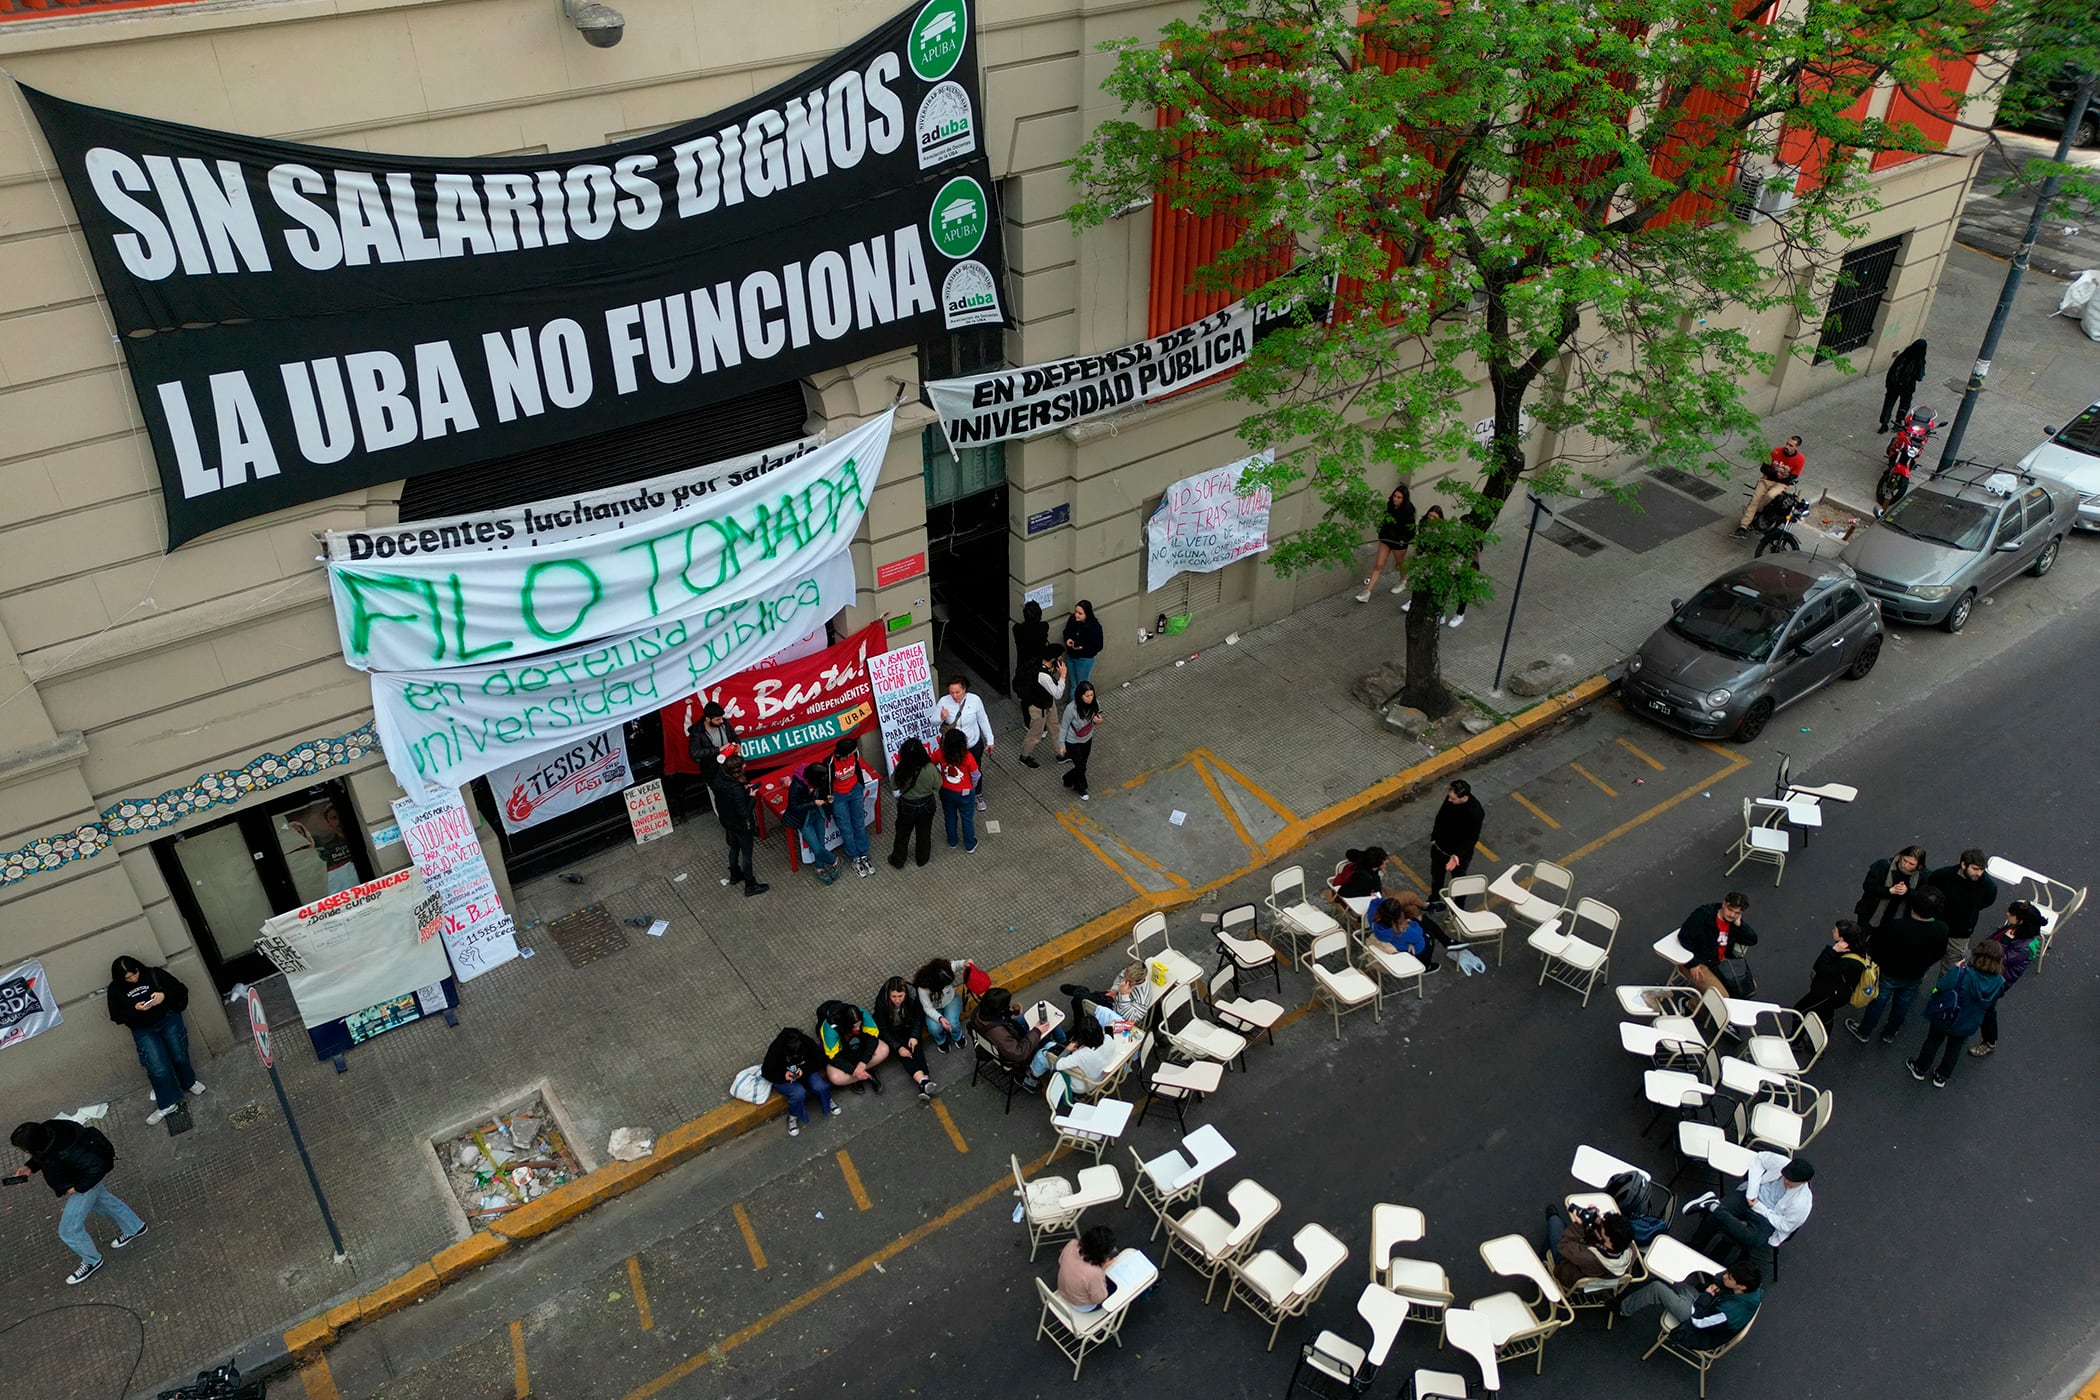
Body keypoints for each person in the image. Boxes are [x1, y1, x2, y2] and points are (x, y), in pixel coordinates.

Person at [10, 1118, 146, 1286]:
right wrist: (30, 1167)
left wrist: (78, 1188)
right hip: (82, 1180)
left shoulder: (68, 1149)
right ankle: (135, 1227)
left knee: (69, 1230)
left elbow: (97, 1167)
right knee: (104, 1203)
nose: (23, 1151)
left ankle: (92, 1261)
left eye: (24, 1148)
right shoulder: (49, 1129)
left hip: (84, 1184)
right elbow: (44, 1155)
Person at [105, 956, 207, 1126]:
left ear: (138, 969)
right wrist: (135, 1009)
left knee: (179, 1054)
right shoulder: (115, 990)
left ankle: (188, 1082)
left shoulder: (152, 973)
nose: (133, 979)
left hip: (168, 1019)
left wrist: (163, 996)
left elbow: (181, 988)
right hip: (143, 1030)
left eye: (134, 974)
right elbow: (116, 1016)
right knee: (157, 1067)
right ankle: (168, 1102)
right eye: (128, 978)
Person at [1847, 885, 1948, 1044]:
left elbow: (1877, 947)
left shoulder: (1896, 926)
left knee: (1878, 1002)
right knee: (1902, 1005)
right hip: (1915, 974)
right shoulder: (1942, 929)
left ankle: (1864, 1031)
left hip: (1889, 972)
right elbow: (1939, 953)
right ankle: (1890, 1033)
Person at [1683, 1154, 1813, 1265]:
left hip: (1768, 1216)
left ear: (1803, 1182)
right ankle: (1697, 1244)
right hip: (1750, 1197)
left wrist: (1760, 1208)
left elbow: (1785, 1225)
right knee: (1714, 1219)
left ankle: (1714, 1206)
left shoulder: (1801, 1204)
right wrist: (1752, 1191)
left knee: (1753, 1240)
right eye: (1785, 1176)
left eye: (1791, 1181)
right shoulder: (1781, 1162)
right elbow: (1759, 1158)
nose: (1786, 1181)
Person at [1908, 939, 2006, 1087]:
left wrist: (1955, 969)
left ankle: (1920, 1068)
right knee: (1954, 1048)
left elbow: (1941, 986)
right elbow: (1991, 1006)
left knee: (1933, 1041)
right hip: (1969, 1021)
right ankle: (1941, 1076)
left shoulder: (1962, 973)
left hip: (1947, 1016)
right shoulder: (1999, 982)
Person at [1969, 901, 2042, 1059]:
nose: (2007, 914)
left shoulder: (2023, 947)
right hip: (1987, 974)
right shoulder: (2015, 931)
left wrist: (2004, 943)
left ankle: (1989, 1042)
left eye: (2011, 913)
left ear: (2020, 920)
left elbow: (1999, 958)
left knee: (1988, 1011)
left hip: (1995, 983)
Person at [1618, 1264, 1763, 1341]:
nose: (1724, 1277)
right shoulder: (1752, 1288)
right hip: (1708, 1305)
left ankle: (1622, 1309)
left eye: (1729, 1278)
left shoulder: (1729, 1312)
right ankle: (1633, 1292)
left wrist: (1706, 1297)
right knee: (1673, 1278)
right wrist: (1712, 1292)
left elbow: (1699, 1323)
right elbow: (1721, 1276)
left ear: (1741, 1287)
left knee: (1657, 1289)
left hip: (1696, 1322)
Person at [971, 987, 1066, 1087]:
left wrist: (1009, 1012)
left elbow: (1000, 1019)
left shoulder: (979, 1012)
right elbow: (1019, 1053)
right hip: (1016, 1050)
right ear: (1000, 1009)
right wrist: (1037, 1031)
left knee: (1044, 1019)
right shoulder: (999, 1034)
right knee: (1047, 1027)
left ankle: (1062, 1042)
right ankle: (1061, 1045)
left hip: (1009, 1031)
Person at [708, 749, 768, 897]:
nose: (745, 766)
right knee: (747, 854)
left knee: (734, 847)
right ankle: (750, 885)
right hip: (741, 825)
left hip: (727, 820)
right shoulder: (735, 788)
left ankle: (735, 874)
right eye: (743, 765)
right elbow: (743, 812)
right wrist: (752, 797)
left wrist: (743, 789)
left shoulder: (719, 779)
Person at [1925, 849, 1999, 968]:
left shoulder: (1987, 886)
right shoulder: (1942, 876)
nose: (1979, 873)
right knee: (1923, 959)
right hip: (1935, 925)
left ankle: (1942, 987)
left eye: (1982, 869)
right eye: (1975, 869)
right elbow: (1928, 895)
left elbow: (1986, 902)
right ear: (1963, 864)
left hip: (1960, 934)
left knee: (1950, 968)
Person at [1675, 892, 1757, 998]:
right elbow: (1684, 937)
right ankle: (1691, 1005)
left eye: (1737, 913)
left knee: (1748, 987)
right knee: (1721, 996)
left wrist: (1740, 925)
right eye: (1730, 910)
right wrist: (1692, 963)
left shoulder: (1734, 922)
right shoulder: (1703, 915)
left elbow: (1752, 940)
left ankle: (1712, 1005)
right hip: (1699, 961)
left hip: (1720, 961)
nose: (1732, 915)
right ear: (1724, 904)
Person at [761, 1026, 838, 1138]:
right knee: (798, 1093)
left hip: (806, 1070)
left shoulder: (806, 1042)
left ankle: (827, 1100)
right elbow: (767, 1072)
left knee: (820, 1086)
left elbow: (819, 1059)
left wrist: (805, 1069)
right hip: (785, 1077)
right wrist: (784, 1075)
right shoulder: (775, 1050)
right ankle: (793, 1115)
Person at [873, 976, 940, 1103]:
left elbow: (918, 1017)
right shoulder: (881, 1003)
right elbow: (883, 1028)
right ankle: (925, 1082)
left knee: (916, 1047)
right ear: (889, 995)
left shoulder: (913, 996)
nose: (897, 1000)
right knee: (903, 1054)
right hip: (892, 1031)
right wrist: (898, 1047)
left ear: (906, 993)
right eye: (894, 997)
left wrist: (914, 1036)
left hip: (908, 1025)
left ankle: (923, 1083)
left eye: (900, 996)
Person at [1542, 1205, 1637, 1289]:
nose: (1600, 1229)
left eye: (1602, 1231)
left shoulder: (1587, 1257)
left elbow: (1564, 1245)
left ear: (1608, 1243)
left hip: (1571, 1273)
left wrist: (1578, 1226)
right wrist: (1599, 1222)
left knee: (1555, 1222)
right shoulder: (1631, 1251)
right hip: (1599, 1282)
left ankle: (1541, 1260)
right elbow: (1609, 1238)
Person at [1791, 920, 1869, 1022]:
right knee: (1825, 1015)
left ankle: (1796, 1037)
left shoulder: (1849, 961)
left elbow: (1820, 968)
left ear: (1842, 938)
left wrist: (1832, 951)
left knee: (1800, 1012)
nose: (1832, 931)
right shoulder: (1857, 950)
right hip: (1835, 994)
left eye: (1835, 931)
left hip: (1829, 995)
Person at [935, 676, 994, 809]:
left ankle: (977, 794)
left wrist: (990, 739)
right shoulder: (944, 701)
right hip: (952, 746)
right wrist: (941, 717)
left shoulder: (975, 700)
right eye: (951, 692)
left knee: (975, 769)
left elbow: (983, 719)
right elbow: (933, 721)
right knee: (952, 769)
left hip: (972, 744)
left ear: (964, 689)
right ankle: (953, 793)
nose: (954, 696)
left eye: (957, 692)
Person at [784, 762, 844, 886]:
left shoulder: (819, 779)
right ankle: (835, 861)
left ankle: (819, 868)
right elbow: (793, 807)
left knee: (821, 843)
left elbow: (822, 793)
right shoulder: (797, 784)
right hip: (805, 819)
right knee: (816, 847)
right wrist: (813, 803)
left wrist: (827, 799)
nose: (824, 780)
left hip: (819, 813)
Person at [1735, 434, 1805, 538]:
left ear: (1796, 447)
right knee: (1755, 498)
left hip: (1781, 484)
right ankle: (1743, 526)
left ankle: (1756, 511)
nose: (1787, 447)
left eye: (1791, 445)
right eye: (1787, 443)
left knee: (1770, 495)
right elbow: (1764, 468)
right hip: (1767, 480)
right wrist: (1775, 474)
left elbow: (1793, 477)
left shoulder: (1800, 459)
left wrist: (1783, 478)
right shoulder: (1776, 451)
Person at [827, 738, 878, 879]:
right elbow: (828, 782)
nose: (855, 752)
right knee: (846, 828)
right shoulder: (830, 762)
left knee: (859, 823)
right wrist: (830, 798)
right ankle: (854, 856)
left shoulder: (855, 754)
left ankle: (863, 853)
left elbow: (857, 769)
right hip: (839, 797)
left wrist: (860, 785)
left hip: (855, 791)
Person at [1357, 483, 1417, 603]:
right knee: (1379, 565)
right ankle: (1367, 592)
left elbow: (1411, 530)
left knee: (1400, 562)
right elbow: (1384, 521)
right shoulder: (1390, 506)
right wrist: (1381, 533)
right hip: (1386, 539)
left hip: (1399, 542)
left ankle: (1403, 580)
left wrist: (1402, 540)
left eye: (1399, 497)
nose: (1396, 499)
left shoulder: (1408, 511)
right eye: (1395, 496)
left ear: (1404, 499)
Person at [887, 738, 941, 869]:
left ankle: (898, 859)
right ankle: (922, 859)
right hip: (927, 804)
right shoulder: (929, 768)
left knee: (902, 833)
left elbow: (893, 786)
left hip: (907, 806)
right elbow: (938, 785)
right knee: (924, 832)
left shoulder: (902, 768)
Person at [815, 999, 890, 1094]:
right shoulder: (829, 1029)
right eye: (854, 1027)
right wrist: (853, 1070)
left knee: (884, 1050)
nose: (858, 1029)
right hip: (843, 1055)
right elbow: (833, 1057)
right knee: (836, 1078)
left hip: (860, 1048)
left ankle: (856, 1076)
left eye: (860, 1025)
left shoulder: (861, 1013)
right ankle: (861, 1075)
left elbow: (872, 1038)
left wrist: (863, 1062)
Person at [1427, 780, 1485, 894]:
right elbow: (1440, 817)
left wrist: (1457, 855)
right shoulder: (1451, 798)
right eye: (1449, 797)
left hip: (1458, 857)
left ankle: (1458, 906)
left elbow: (1472, 838)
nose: (1449, 800)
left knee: (1459, 883)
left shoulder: (1476, 813)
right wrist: (1434, 838)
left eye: (1453, 799)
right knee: (1436, 878)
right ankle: (1434, 899)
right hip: (1439, 848)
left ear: (1464, 798)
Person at [1854, 844, 1927, 935]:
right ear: (1900, 856)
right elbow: (1868, 887)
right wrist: (1889, 891)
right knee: (1861, 939)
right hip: (1871, 914)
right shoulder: (1882, 866)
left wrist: (1907, 892)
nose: (1906, 865)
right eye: (1904, 860)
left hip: (1898, 919)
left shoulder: (1923, 877)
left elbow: (1923, 899)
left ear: (1919, 866)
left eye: (1911, 864)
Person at [1058, 964, 1154, 1029]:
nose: (1125, 981)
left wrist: (1124, 996)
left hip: (1118, 1017)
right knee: (1078, 1001)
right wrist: (1115, 990)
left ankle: (1079, 991)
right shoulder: (1128, 974)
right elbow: (1119, 979)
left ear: (1139, 980)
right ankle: (1079, 994)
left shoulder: (1143, 998)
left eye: (1129, 981)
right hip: (1112, 999)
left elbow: (1129, 1019)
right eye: (1125, 977)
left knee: (1078, 1000)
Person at [1019, 647, 1067, 768]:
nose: (1061, 659)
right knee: (1035, 734)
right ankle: (1025, 756)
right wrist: (1063, 676)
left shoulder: (1045, 665)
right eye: (1059, 657)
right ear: (1053, 658)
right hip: (1038, 708)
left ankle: (1061, 752)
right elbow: (1057, 694)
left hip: (1048, 703)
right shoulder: (1042, 675)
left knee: (1055, 728)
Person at [913, 956, 973, 1050]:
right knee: (934, 1028)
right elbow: (927, 1008)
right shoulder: (923, 988)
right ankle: (940, 1040)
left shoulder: (945, 969)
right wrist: (940, 1018)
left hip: (951, 1000)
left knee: (953, 1023)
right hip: (933, 1008)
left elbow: (956, 964)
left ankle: (957, 1035)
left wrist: (964, 963)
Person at [1057, 1224, 1120, 1311]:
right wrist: (1102, 1270)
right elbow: (1099, 1298)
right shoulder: (1094, 1273)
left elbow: (1060, 1261)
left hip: (1064, 1291)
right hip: (1082, 1305)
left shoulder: (1072, 1244)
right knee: (1116, 1287)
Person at [1054, 1015, 1122, 1095]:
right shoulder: (1109, 1039)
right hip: (1100, 1076)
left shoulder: (1081, 1055)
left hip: (1083, 1086)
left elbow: (1056, 1065)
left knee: (1046, 1054)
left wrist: (1068, 1049)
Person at [936, 730, 980, 853]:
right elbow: (976, 775)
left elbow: (931, 764)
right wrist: (972, 787)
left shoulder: (939, 753)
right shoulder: (968, 757)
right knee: (967, 818)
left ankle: (952, 841)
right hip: (965, 792)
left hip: (946, 790)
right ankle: (970, 844)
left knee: (949, 815)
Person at [1059, 681, 1102, 801]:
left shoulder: (1095, 704)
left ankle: (1069, 779)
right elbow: (1064, 726)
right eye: (1087, 696)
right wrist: (1061, 744)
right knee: (1081, 767)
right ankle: (1080, 787)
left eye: (1091, 695)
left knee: (1083, 764)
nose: (1090, 698)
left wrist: (1097, 721)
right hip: (1072, 741)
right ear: (1080, 696)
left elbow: (1095, 717)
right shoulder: (1071, 709)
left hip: (1087, 738)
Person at [1878, 338, 1928, 432]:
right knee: (1904, 404)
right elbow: (1919, 377)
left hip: (1894, 385)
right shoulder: (1919, 361)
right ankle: (1898, 422)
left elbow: (1893, 369)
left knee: (1888, 404)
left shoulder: (1903, 356)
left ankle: (1884, 424)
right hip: (1907, 386)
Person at [1367, 892, 1432, 960]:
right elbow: (1419, 933)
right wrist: (1411, 923)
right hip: (1406, 952)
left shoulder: (1372, 915)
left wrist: (1384, 903)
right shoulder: (1404, 932)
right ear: (1399, 915)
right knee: (1429, 937)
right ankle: (1427, 965)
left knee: (1411, 908)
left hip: (1387, 943)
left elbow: (1374, 902)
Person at [686, 701, 738, 783]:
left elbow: (734, 737)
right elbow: (694, 753)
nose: (721, 721)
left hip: (731, 765)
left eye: (721, 718)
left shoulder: (724, 723)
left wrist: (737, 745)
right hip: (714, 772)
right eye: (717, 719)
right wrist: (718, 750)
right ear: (708, 719)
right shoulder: (697, 732)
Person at [1011, 599, 1049, 702]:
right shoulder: (1044, 627)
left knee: (1024, 694)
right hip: (1038, 664)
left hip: (1024, 665)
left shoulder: (1017, 629)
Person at [1061, 601, 1104, 686]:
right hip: (1071, 655)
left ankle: (1080, 699)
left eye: (1080, 613)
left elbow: (1098, 646)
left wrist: (1083, 648)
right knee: (1073, 684)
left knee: (1081, 685)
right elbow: (1066, 632)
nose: (1076, 615)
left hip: (1084, 659)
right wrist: (1068, 639)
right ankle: (1073, 699)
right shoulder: (1073, 619)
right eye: (1076, 612)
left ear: (1087, 614)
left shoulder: (1094, 627)